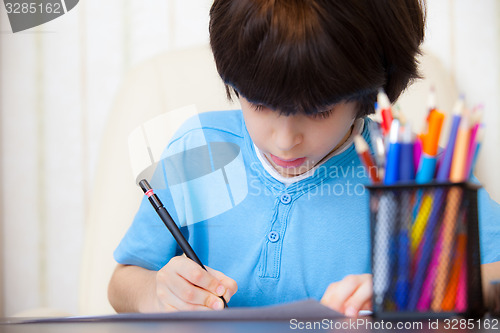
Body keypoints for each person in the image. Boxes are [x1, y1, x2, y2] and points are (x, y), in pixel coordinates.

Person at [108, 0, 500, 316]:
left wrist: (416, 294)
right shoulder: (200, 149)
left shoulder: (412, 168)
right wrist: (155, 294)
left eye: (317, 112)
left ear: (368, 93)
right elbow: (122, 282)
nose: (284, 141)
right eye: (259, 104)